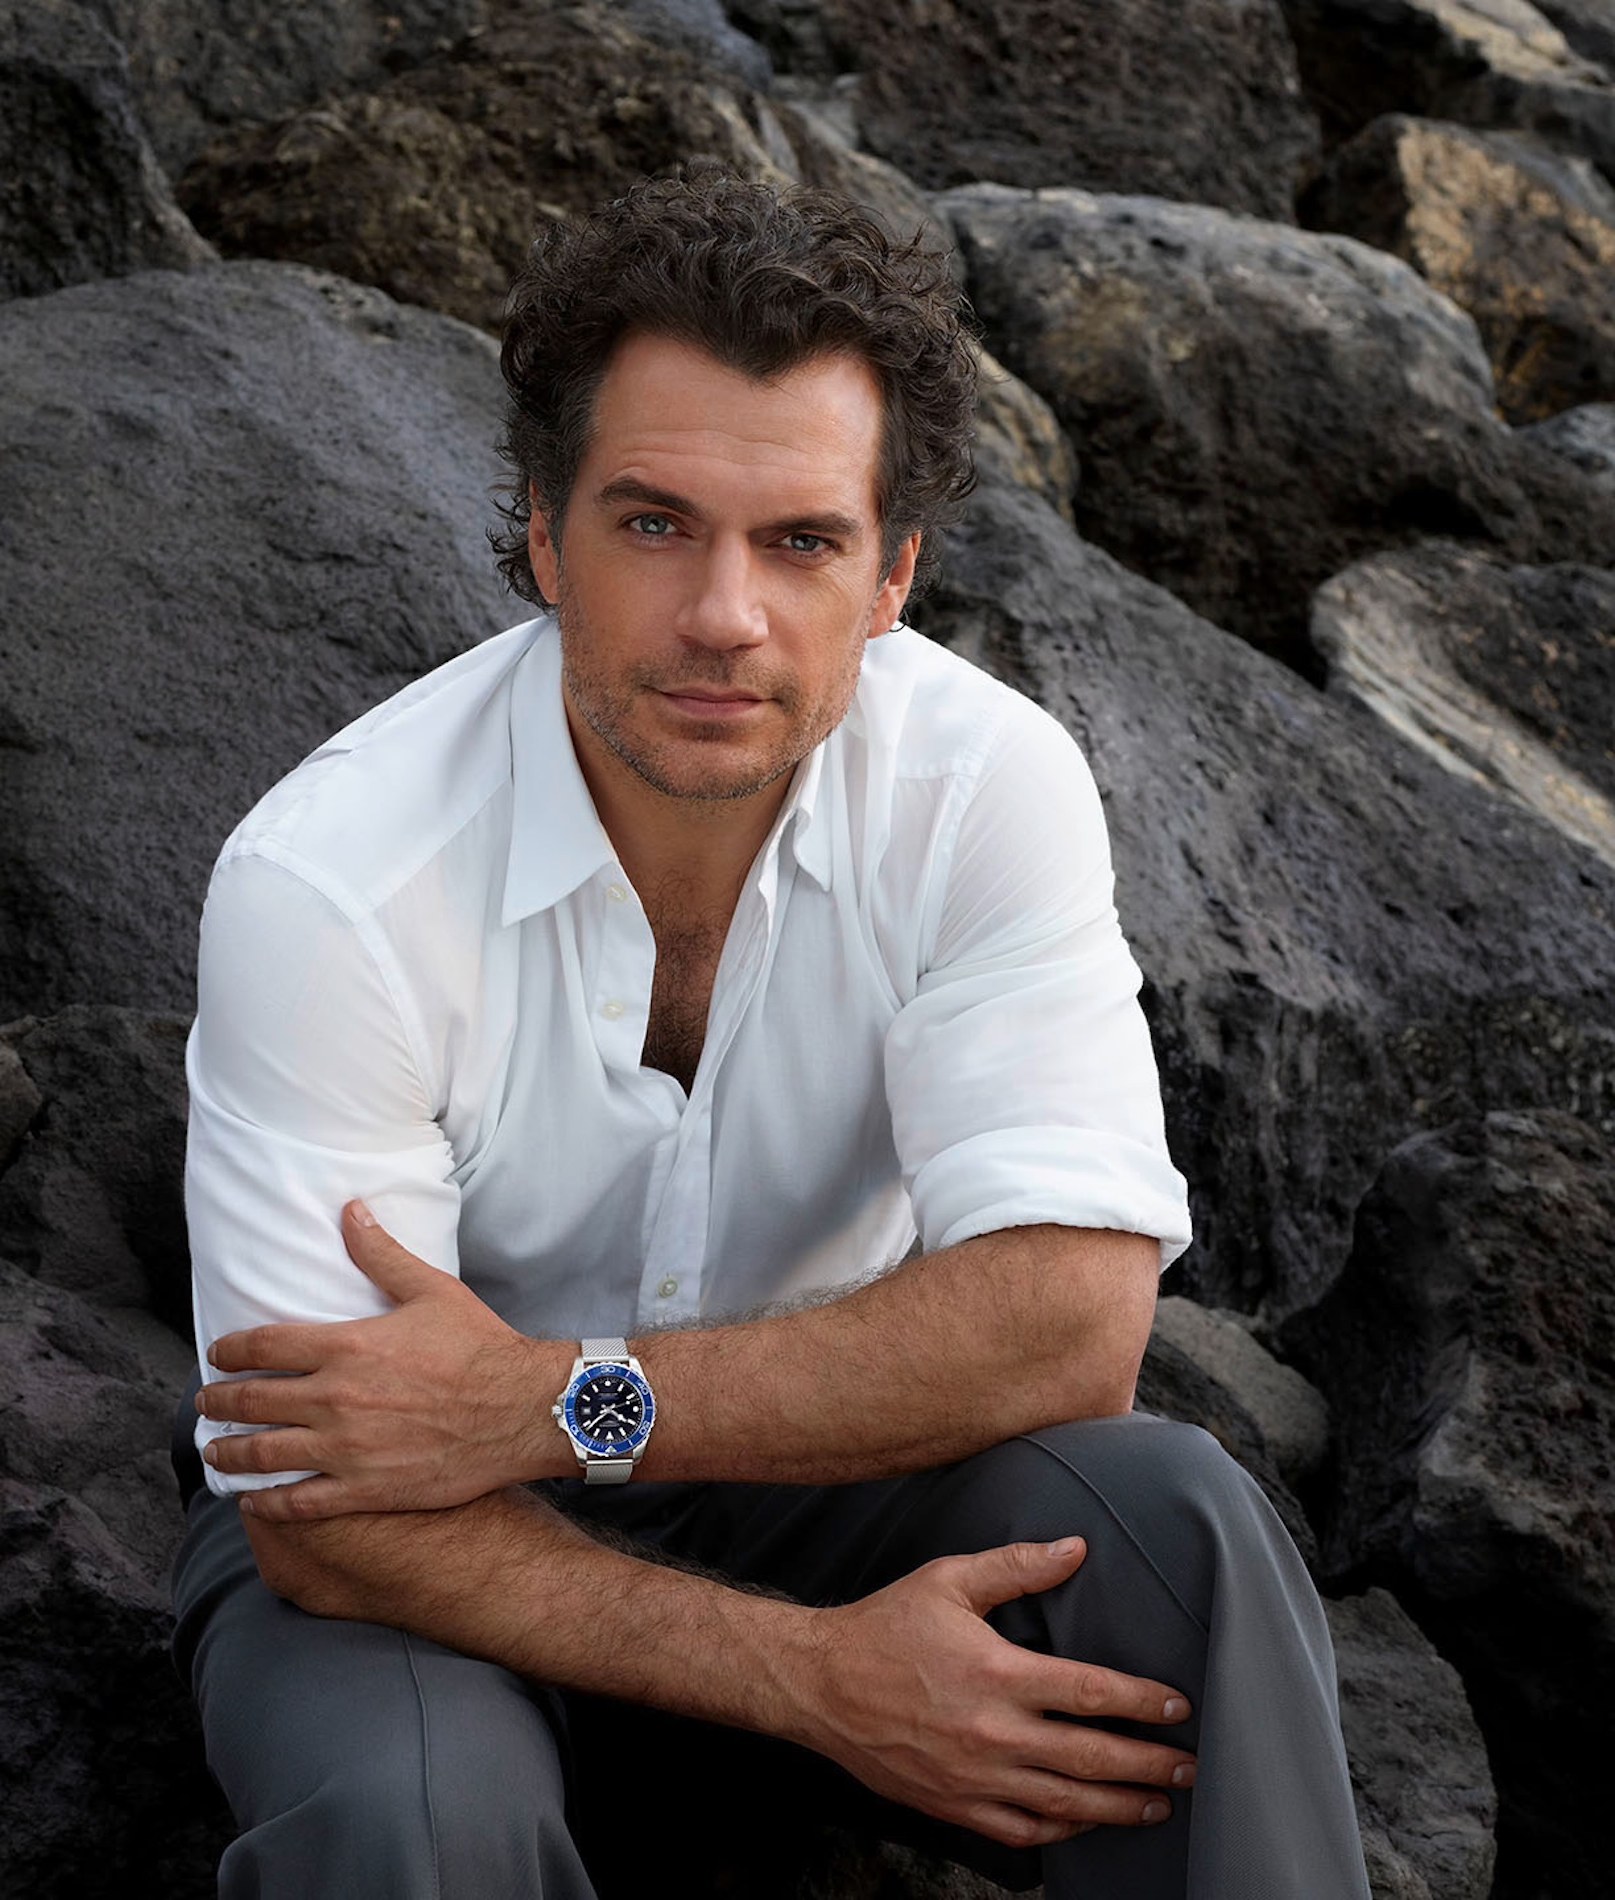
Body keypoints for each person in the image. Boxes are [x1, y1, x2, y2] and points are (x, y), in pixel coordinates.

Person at [170, 169, 1371, 1899]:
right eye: (655, 525)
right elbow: (325, 1504)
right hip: (426, 1548)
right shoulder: (334, 881)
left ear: (891, 575)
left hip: (804, 1471)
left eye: (799, 542)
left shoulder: (985, 789)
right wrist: (816, 1680)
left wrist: (557, 1402)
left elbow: (1069, 1330)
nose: (725, 616)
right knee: (406, 1818)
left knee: (1175, 1530)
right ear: (542, 537)